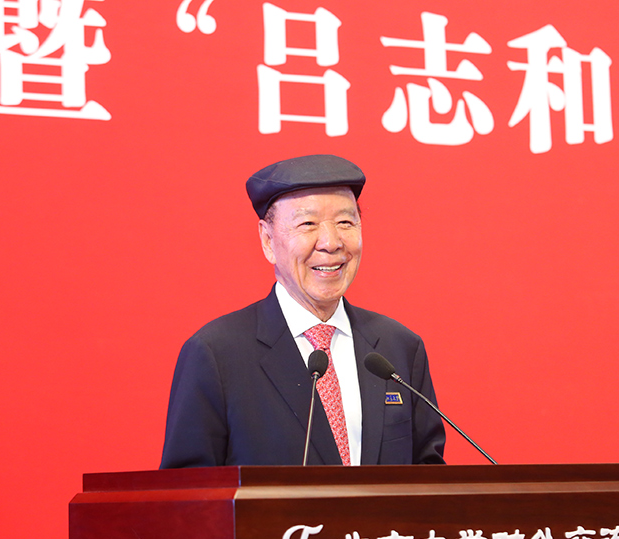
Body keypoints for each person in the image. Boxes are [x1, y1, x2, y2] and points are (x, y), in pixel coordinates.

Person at [159, 154, 446, 467]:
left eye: (345, 223)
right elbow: (189, 490)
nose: (331, 243)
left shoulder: (399, 348)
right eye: (308, 224)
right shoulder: (216, 354)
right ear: (268, 240)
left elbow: (427, 478)